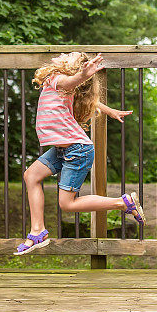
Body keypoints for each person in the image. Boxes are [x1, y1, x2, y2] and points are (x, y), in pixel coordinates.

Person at [15, 51, 145, 256]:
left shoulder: (61, 80)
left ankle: (123, 203)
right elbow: (87, 96)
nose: (63, 53)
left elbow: (72, 80)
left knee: (67, 203)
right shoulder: (57, 83)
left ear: (71, 67)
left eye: (69, 55)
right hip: (63, 149)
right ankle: (37, 231)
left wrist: (83, 74)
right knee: (31, 175)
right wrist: (110, 110)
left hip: (77, 150)